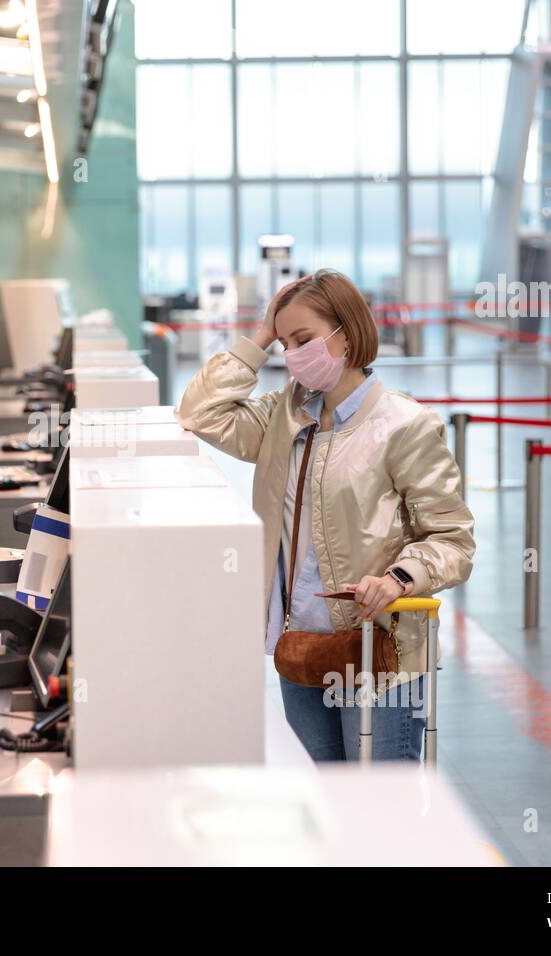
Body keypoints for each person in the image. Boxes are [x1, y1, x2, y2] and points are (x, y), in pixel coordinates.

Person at [176, 269, 475, 761]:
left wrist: (400, 577)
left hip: (382, 651)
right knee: (330, 804)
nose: (293, 355)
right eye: (286, 343)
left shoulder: (405, 426)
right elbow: (199, 413)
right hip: (301, 645)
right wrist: (261, 335)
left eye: (304, 339)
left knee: (381, 805)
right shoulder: (282, 418)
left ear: (347, 335)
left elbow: (452, 540)